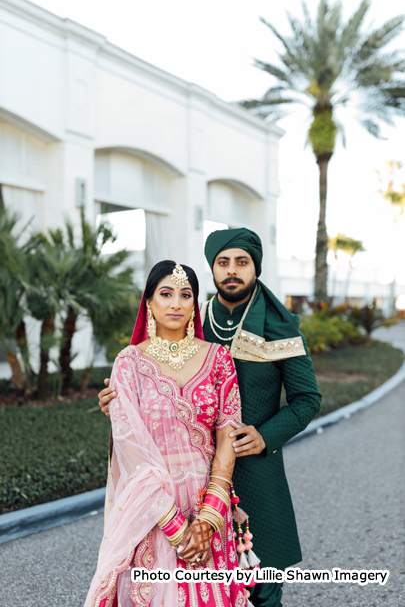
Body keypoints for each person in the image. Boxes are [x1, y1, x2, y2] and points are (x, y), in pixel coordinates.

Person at [99, 228, 322, 607]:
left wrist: (266, 435)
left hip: (253, 472)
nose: (232, 271)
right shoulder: (192, 315)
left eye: (241, 262)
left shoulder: (281, 328)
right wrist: (121, 404)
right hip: (184, 480)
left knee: (262, 588)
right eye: (223, 262)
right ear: (213, 269)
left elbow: (307, 399)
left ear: (256, 268)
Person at [85, 260, 248, 607]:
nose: (176, 303)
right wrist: (177, 528)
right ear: (149, 303)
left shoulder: (219, 359)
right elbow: (131, 451)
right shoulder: (129, 363)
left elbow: (227, 438)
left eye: (185, 295)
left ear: (194, 305)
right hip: (153, 508)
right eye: (166, 293)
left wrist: (207, 520)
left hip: (208, 501)